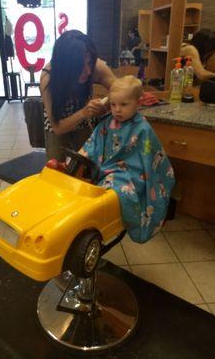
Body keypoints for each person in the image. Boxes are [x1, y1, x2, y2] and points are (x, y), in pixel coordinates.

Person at [79, 76, 175, 243]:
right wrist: (74, 161)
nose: (117, 110)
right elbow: (91, 145)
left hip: (133, 175)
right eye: (113, 104)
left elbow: (149, 158)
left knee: (120, 194)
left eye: (124, 105)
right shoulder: (107, 123)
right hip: (107, 171)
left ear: (138, 104)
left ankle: (125, 226)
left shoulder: (142, 128)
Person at [40, 30, 116, 161]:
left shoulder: (95, 66)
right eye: (80, 66)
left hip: (84, 121)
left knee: (89, 163)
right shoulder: (48, 77)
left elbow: (120, 90)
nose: (87, 71)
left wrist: (106, 104)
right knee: (55, 169)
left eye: (90, 63)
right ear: (66, 66)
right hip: (58, 121)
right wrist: (84, 112)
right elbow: (57, 128)